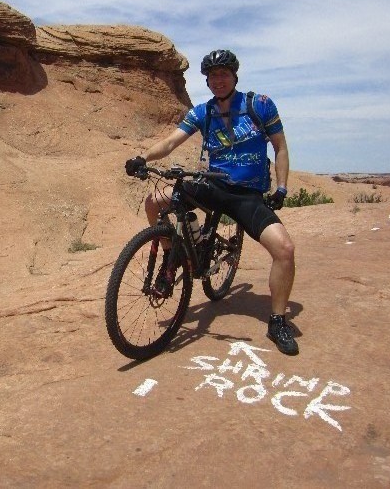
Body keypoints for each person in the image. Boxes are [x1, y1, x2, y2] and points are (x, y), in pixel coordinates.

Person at [124, 49, 298, 355]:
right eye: (212, 76)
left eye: (223, 75)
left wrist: (281, 187)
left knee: (284, 249)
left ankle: (277, 321)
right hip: (211, 184)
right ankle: (171, 258)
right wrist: (143, 158)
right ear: (206, 81)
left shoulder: (260, 105)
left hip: (246, 194)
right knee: (154, 201)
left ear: (234, 77)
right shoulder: (203, 112)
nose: (218, 81)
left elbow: (280, 148)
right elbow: (171, 141)